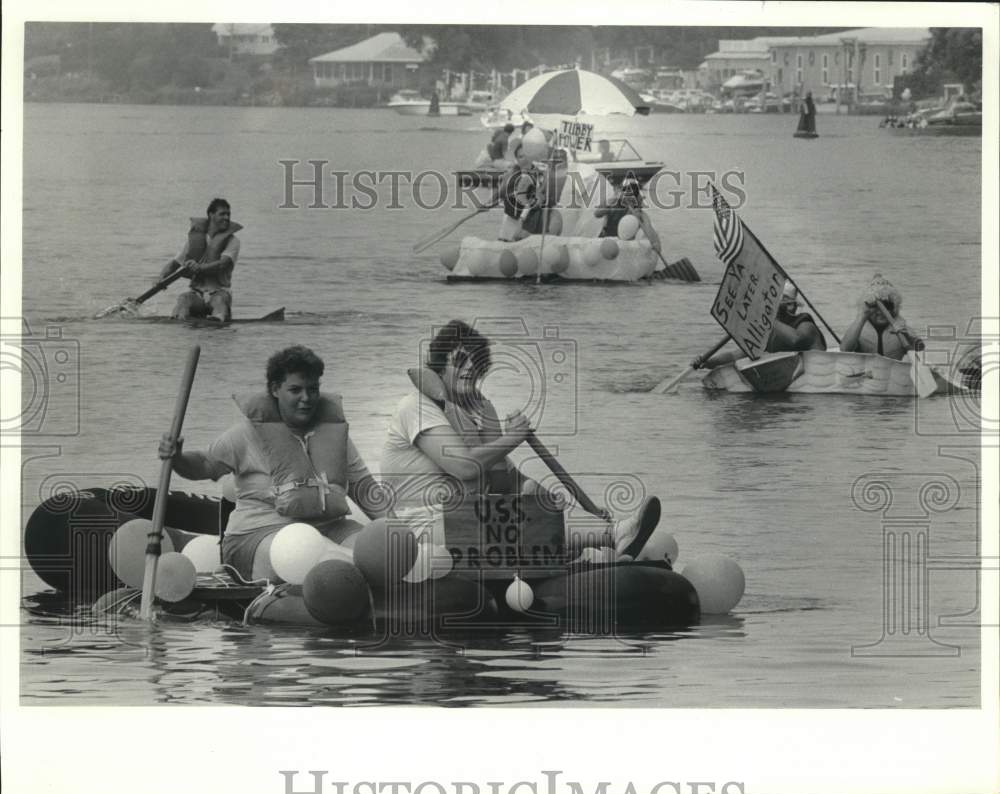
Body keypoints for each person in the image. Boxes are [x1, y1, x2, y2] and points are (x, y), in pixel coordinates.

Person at [380, 320, 661, 561]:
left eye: (474, 362)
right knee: (512, 518)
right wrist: (513, 437)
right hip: (420, 527)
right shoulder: (416, 406)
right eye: (459, 361)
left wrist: (562, 505)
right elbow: (464, 467)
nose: (469, 368)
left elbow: (502, 482)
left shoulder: (475, 411)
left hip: (466, 517)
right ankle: (611, 536)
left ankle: (604, 536)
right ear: (440, 368)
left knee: (532, 495)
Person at [158, 345, 385, 581]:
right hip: (259, 535)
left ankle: (360, 574)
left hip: (330, 527)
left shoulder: (334, 436)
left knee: (383, 552)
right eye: (296, 390)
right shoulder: (245, 435)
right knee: (312, 552)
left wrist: (399, 532)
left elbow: (365, 488)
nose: (306, 399)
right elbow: (204, 464)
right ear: (276, 389)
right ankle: (354, 572)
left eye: (313, 389)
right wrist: (177, 458)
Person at [692, 281, 827, 370]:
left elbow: (795, 340)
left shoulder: (805, 325)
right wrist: (707, 362)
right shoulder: (770, 332)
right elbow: (736, 356)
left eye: (792, 304)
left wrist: (768, 319)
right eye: (787, 305)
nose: (791, 309)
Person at [159, 198, 240, 322]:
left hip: (219, 292)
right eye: (222, 214)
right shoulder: (195, 240)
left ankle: (218, 319)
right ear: (211, 215)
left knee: (219, 300)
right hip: (197, 295)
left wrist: (199, 267)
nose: (227, 218)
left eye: (228, 214)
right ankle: (177, 319)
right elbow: (174, 264)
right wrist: (161, 277)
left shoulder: (233, 241)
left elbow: (222, 264)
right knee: (183, 299)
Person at [840, 273, 921, 360]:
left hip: (892, 371)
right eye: (875, 306)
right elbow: (845, 349)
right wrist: (862, 316)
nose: (881, 312)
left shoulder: (901, 326)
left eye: (888, 305)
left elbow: (920, 351)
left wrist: (908, 338)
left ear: (894, 308)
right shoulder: (858, 327)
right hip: (866, 372)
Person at [594, 178, 662, 253]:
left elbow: (649, 228)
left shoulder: (639, 213)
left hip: (623, 247)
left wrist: (654, 243)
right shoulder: (613, 203)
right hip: (606, 242)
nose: (628, 198)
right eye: (626, 192)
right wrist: (614, 199)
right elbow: (597, 214)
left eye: (632, 195)